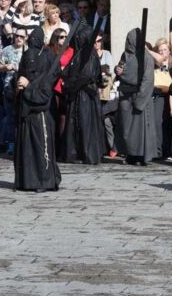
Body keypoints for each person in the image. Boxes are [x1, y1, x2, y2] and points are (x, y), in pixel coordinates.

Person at [13, 26, 61, 192]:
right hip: (26, 109)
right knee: (28, 147)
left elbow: (46, 83)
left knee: (41, 146)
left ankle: (44, 181)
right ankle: (27, 181)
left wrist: (29, 86)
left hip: (41, 110)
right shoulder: (29, 55)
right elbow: (22, 74)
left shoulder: (48, 57)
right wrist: (19, 85)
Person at [61, 25, 106, 165]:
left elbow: (86, 76)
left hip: (84, 95)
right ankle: (77, 152)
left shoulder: (89, 54)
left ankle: (87, 153)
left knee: (85, 123)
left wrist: (70, 86)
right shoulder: (81, 53)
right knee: (79, 123)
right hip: (79, 94)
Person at [116, 28, 159, 166]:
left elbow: (148, 79)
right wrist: (118, 70)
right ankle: (130, 154)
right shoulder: (126, 55)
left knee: (140, 130)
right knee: (126, 129)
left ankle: (140, 156)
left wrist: (140, 99)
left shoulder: (146, 57)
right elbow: (121, 68)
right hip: (126, 96)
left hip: (138, 95)